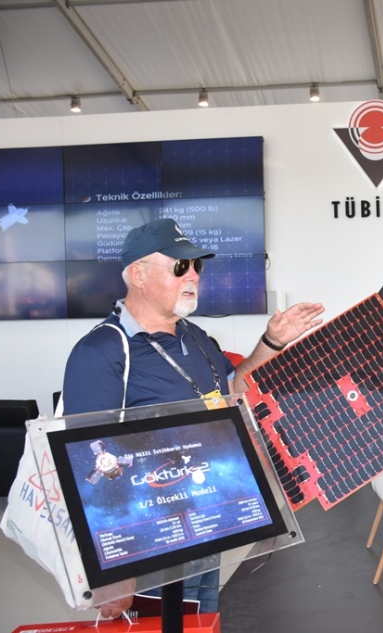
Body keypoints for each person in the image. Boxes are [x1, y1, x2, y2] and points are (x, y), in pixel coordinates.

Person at [61, 218, 324, 617]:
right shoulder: (102, 351)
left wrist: (271, 343)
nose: (194, 276)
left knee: (200, 620)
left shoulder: (196, 338)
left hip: (206, 519)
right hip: (148, 540)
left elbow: (232, 391)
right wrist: (114, 567)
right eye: (180, 266)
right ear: (138, 275)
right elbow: (87, 462)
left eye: (197, 266)